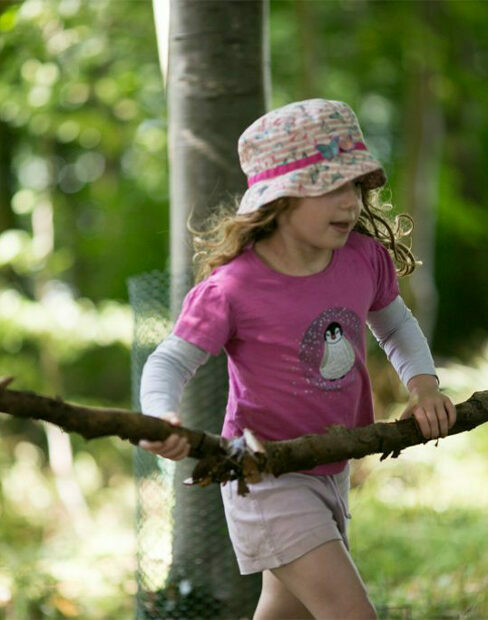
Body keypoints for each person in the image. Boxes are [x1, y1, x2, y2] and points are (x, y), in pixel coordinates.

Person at [138, 98, 456, 619]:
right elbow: (170, 361)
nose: (350, 201)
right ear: (279, 200)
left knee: (288, 612)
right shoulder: (234, 287)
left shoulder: (361, 259)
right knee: (351, 614)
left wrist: (423, 386)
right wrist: (159, 414)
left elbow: (395, 325)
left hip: (330, 464)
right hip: (264, 474)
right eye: (330, 187)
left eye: (354, 184)